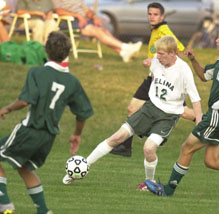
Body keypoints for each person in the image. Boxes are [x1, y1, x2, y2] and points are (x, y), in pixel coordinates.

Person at [63, 35, 203, 192]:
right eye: (157, 53)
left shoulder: (184, 71)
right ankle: (82, 167)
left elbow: (196, 99)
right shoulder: (157, 61)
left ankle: (149, 182)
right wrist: (150, 61)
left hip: (168, 117)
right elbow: (155, 67)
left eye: (161, 53)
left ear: (173, 53)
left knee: (149, 148)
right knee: (116, 137)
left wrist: (199, 123)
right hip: (149, 108)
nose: (157, 56)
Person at [145, 24, 219, 202]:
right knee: (211, 161)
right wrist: (193, 60)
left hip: (217, 116)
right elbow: (203, 76)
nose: (217, 40)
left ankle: (168, 190)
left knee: (187, 148)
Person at [0, 31, 93, 214]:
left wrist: (7, 108)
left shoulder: (37, 72)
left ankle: (5, 206)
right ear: (67, 53)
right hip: (48, 136)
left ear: (46, 50)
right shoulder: (72, 81)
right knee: (24, 168)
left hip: (30, 129)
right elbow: (82, 112)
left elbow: (25, 101)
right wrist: (76, 135)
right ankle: (43, 211)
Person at [110, 2, 196, 157]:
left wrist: (159, 63)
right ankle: (125, 148)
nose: (152, 17)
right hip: (152, 79)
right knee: (132, 108)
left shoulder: (163, 30)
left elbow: (178, 50)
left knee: (183, 112)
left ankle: (211, 125)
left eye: (155, 14)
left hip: (162, 81)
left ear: (162, 16)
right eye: (149, 14)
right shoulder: (156, 29)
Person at [52, 0, 142, 63]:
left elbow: (87, 10)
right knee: (97, 31)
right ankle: (125, 47)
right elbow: (58, 10)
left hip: (82, 19)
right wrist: (78, 16)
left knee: (104, 31)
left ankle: (123, 53)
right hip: (68, 20)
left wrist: (94, 17)